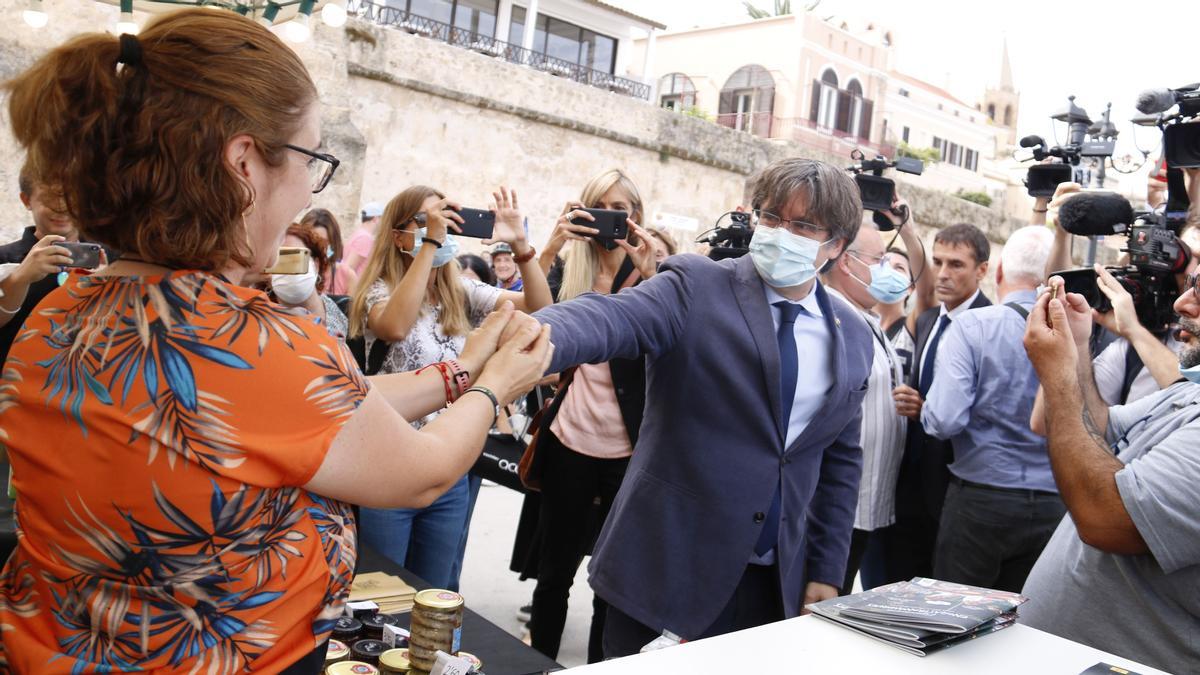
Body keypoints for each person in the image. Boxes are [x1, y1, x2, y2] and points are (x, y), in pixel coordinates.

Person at [0, 11, 551, 673]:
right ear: (243, 164)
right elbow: (423, 471)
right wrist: (497, 387)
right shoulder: (252, 340)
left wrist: (461, 370)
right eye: (312, 160)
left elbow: (319, 410)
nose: (306, 190)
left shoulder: (57, 311)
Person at [518, 158, 874, 658]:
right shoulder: (696, 284)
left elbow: (839, 459)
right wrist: (530, 339)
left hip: (773, 588)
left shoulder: (853, 334)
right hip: (667, 569)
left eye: (802, 225)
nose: (780, 233)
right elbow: (610, 318)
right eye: (771, 217)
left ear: (835, 245)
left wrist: (825, 571)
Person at [348, 185, 552, 590]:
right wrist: (430, 245)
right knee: (382, 591)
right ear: (397, 235)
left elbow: (539, 307)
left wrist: (522, 246)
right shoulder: (377, 291)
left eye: (443, 224)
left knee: (434, 590)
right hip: (387, 465)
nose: (437, 233)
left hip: (448, 465)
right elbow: (396, 325)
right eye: (424, 222)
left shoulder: (459, 292)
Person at [1019, 273, 1200, 674]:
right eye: (1191, 284)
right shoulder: (1190, 392)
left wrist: (1058, 374)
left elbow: (1105, 520)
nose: (1182, 304)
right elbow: (1095, 430)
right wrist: (1078, 347)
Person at [527, 168, 659, 663]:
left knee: (612, 577)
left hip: (628, 447)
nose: (609, 218)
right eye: (599, 206)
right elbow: (531, 319)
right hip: (571, 438)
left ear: (636, 217)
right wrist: (548, 245)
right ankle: (538, 662)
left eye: (620, 209)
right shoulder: (568, 267)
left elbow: (679, 337)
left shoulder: (652, 276)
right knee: (554, 571)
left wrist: (649, 271)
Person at [920, 225, 1065, 592]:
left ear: (997, 271)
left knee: (954, 620)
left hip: (980, 501)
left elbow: (944, 419)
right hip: (1055, 503)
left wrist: (924, 409)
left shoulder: (973, 326)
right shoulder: (1079, 331)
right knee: (1028, 627)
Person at [886, 223, 992, 585]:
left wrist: (927, 407)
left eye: (956, 265)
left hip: (958, 487)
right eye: (938, 262)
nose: (944, 274)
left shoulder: (991, 325)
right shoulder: (930, 319)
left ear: (982, 270)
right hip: (909, 483)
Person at [819, 219, 908, 594]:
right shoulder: (831, 319)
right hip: (838, 509)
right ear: (847, 262)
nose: (885, 271)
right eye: (879, 260)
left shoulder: (865, 318)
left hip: (865, 504)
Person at [272, 223, 350, 339]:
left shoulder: (348, 311)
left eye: (296, 259)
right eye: (279, 262)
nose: (289, 269)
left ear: (316, 265)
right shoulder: (260, 326)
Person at [301, 207, 359, 296]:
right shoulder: (291, 273)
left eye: (323, 244)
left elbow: (350, 309)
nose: (316, 249)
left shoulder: (346, 276)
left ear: (333, 244)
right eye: (311, 242)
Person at [345, 200, 384, 275]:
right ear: (375, 219)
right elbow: (349, 268)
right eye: (382, 219)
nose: (383, 223)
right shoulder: (365, 238)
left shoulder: (359, 233)